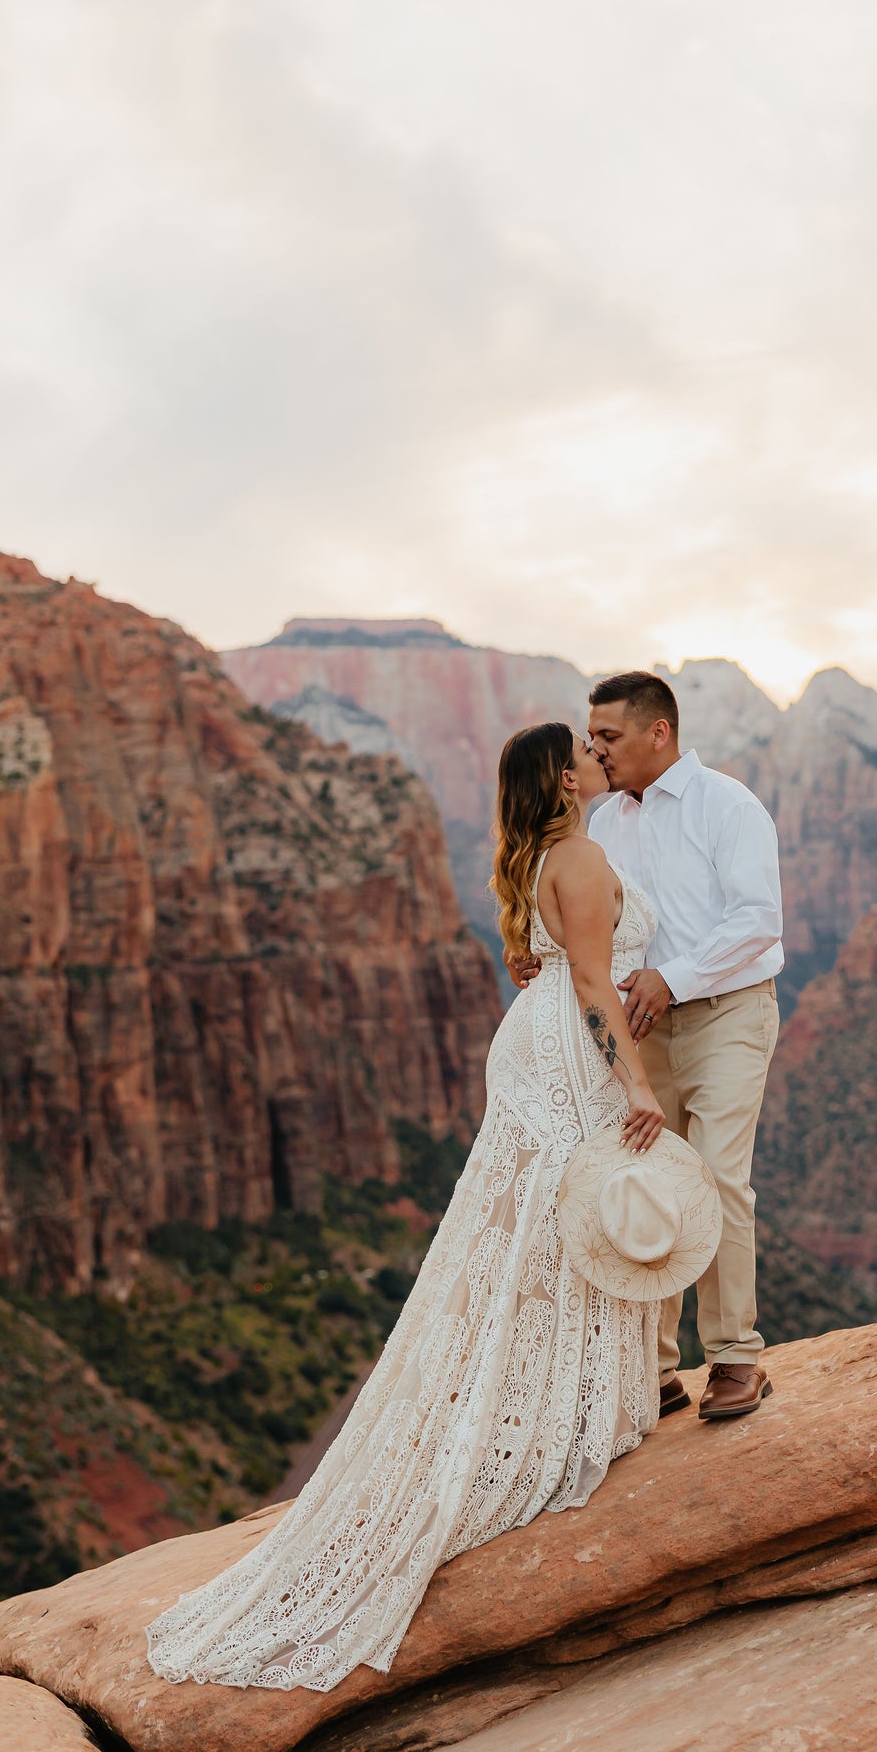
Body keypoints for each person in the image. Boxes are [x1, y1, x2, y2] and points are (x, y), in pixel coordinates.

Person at [145, 721, 666, 1693]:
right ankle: (556, 1417)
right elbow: (593, 979)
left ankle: (557, 1401)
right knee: (558, 1226)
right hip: (566, 1050)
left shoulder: (549, 854)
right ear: (563, 776)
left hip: (535, 1036)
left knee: (535, 1228)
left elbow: (557, 961)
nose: (599, 751)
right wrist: (635, 1083)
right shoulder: (582, 854)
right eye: (584, 748)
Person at [587, 671, 783, 1420]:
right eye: (593, 737)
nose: (595, 750)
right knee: (650, 1182)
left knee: (716, 1178)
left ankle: (734, 1358)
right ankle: (656, 1372)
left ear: (656, 732)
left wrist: (672, 975)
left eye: (608, 736)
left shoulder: (725, 804)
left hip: (727, 1013)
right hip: (643, 1025)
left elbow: (757, 920)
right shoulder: (605, 823)